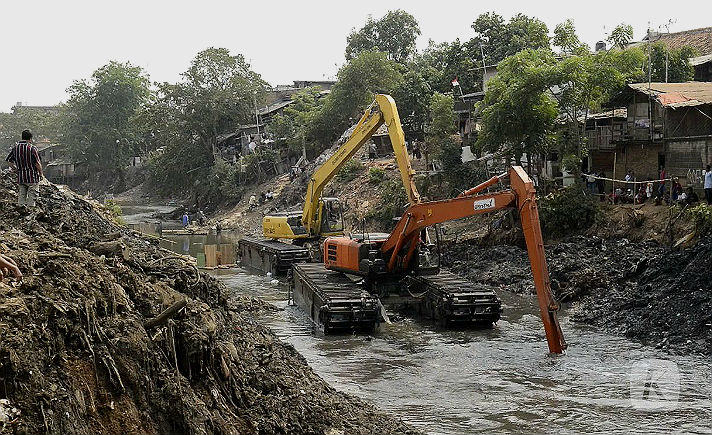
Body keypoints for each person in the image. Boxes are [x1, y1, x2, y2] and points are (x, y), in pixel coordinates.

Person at [5, 129, 43, 207]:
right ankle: (30, 214)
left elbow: (9, 161)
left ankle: (21, 212)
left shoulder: (15, 148)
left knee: (21, 196)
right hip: (32, 178)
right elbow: (37, 163)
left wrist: (15, 169)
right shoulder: (32, 148)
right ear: (30, 138)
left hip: (21, 177)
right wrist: (41, 174)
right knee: (32, 198)